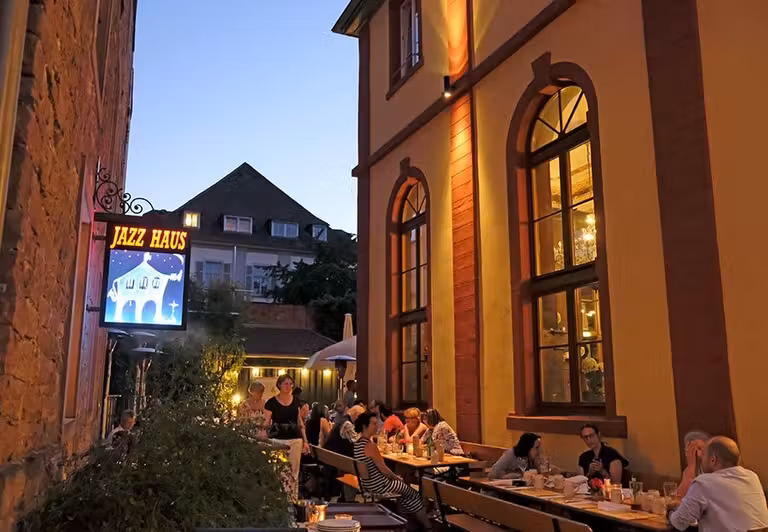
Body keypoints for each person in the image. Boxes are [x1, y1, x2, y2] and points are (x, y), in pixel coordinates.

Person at [667, 436, 768, 532]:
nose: (701, 459)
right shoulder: (752, 476)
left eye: (704, 455)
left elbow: (679, 522)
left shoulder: (705, 482)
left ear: (713, 460)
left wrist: (670, 512)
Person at [354, 411, 430, 528]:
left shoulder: (358, 444)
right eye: (373, 424)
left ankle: (405, 522)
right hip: (381, 485)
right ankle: (427, 526)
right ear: (365, 426)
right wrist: (397, 478)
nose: (376, 426)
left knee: (405, 493)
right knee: (414, 495)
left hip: (369, 484)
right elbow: (384, 469)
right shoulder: (370, 446)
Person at [265, 374, 309, 499]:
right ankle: (280, 498)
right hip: (277, 439)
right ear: (279, 385)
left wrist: (305, 441)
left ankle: (292, 498)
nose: (288, 386)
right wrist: (264, 436)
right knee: (279, 470)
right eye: (285, 383)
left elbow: (300, 423)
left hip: (295, 439)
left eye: (290, 384)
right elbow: (266, 422)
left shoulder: (297, 402)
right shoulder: (271, 403)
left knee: (294, 471)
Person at [678, 430, 709, 497]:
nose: (696, 453)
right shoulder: (688, 470)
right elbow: (680, 495)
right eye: (690, 450)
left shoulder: (712, 468)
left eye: (699, 448)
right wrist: (691, 466)